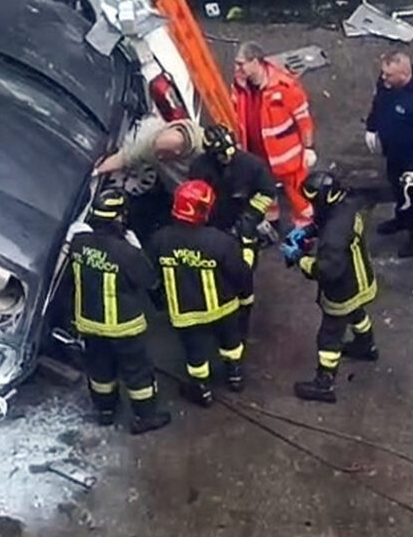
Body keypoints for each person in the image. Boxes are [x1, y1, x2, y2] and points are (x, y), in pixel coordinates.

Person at [69, 188, 171, 435]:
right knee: (137, 372)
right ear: (119, 218)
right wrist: (137, 250)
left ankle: (105, 411)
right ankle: (145, 416)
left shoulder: (79, 243)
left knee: (100, 370)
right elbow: (149, 280)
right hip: (124, 325)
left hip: (89, 323)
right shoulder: (126, 253)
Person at [149, 180, 253, 406]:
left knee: (195, 352)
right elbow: (240, 272)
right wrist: (246, 297)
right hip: (224, 308)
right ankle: (235, 375)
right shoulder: (220, 241)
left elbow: (151, 275)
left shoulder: (160, 240)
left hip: (186, 313)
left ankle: (202, 390)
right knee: (231, 343)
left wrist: (158, 300)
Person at [284, 172, 379, 403]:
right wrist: (309, 231)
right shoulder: (346, 206)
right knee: (357, 313)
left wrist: (299, 258)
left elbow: (326, 270)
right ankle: (366, 345)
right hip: (360, 278)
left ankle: (324, 382)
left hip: (342, 289)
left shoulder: (334, 236)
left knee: (329, 336)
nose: (312, 206)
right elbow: (326, 220)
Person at [187, 124, 276, 338]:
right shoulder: (199, 168)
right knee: (215, 276)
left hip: (242, 229)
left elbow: (267, 192)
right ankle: (221, 318)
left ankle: (241, 322)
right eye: (221, 156)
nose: (227, 158)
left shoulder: (251, 165)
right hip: (213, 229)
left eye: (230, 153)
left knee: (244, 274)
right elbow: (194, 195)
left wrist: (251, 216)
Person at [363, 51, 413, 257]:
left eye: (388, 75)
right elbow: (378, 103)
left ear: (404, 75)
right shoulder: (387, 84)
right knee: (397, 188)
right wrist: (372, 127)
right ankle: (402, 218)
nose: (383, 78)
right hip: (394, 152)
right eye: (383, 73)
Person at [231, 41, 317, 227]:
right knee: (264, 192)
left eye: (241, 63)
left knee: (298, 196)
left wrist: (309, 148)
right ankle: (272, 224)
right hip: (255, 153)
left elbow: (303, 118)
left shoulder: (285, 86)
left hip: (285, 157)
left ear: (256, 61)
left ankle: (306, 230)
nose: (237, 68)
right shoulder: (240, 85)